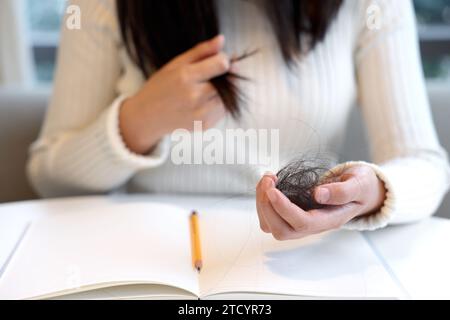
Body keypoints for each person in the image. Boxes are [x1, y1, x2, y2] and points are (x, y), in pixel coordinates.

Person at [27, 0, 450, 240]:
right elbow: (50, 176)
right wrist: (139, 120)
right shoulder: (97, 7)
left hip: (302, 261)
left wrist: (373, 191)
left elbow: (425, 164)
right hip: (146, 254)